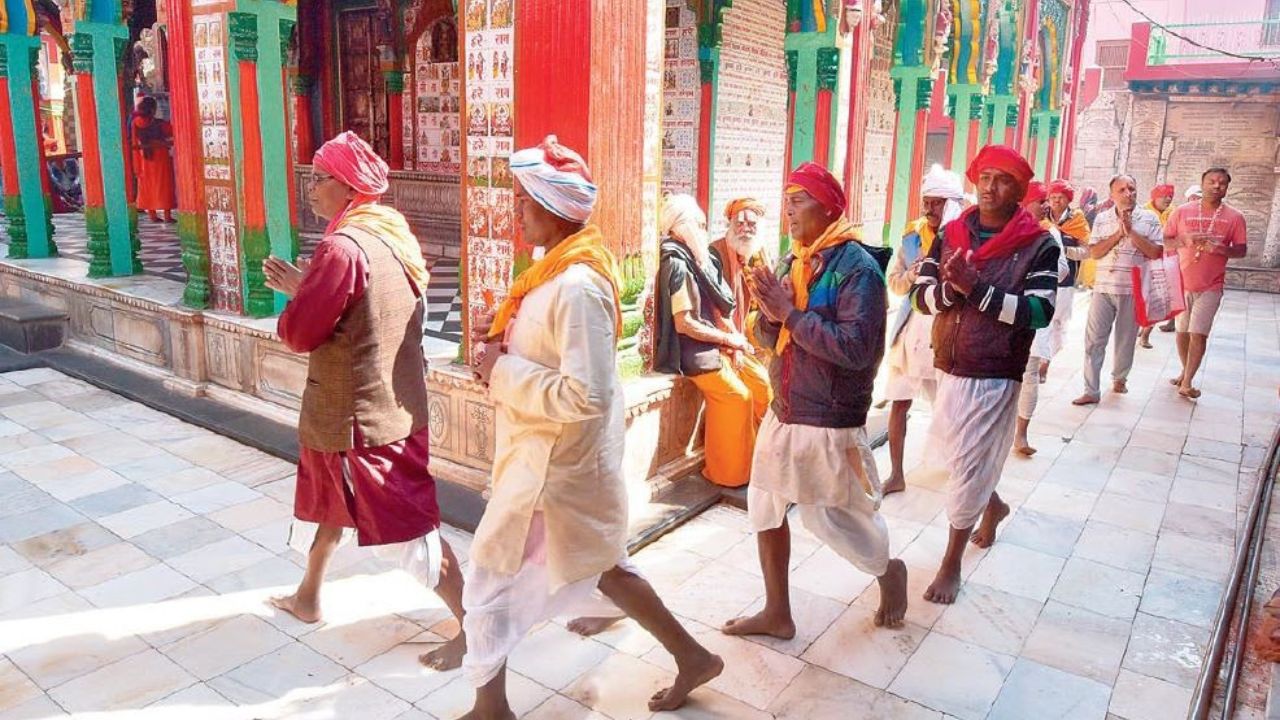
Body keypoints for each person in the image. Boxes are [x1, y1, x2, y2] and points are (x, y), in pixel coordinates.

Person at [462, 136, 722, 719]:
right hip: (548, 461)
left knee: (488, 580)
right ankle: (693, 656)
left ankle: (489, 709)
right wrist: (503, 339)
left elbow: (586, 394)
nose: (516, 212)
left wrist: (501, 368)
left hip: (553, 470)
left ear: (553, 210)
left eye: (524, 201)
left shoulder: (576, 286)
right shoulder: (549, 272)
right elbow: (550, 356)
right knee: (603, 566)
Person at [261, 133, 466, 661]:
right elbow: (361, 309)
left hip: (364, 417)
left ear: (347, 184)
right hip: (390, 401)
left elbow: (303, 332)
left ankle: (474, 627)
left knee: (409, 527)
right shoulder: (389, 231)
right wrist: (308, 287)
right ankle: (308, 596)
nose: (310, 188)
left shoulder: (342, 246)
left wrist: (297, 297)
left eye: (319, 177)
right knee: (335, 504)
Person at [721, 162, 908, 638]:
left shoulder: (857, 269)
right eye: (787, 200)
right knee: (763, 505)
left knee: (834, 518)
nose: (789, 210)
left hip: (829, 418)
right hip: (785, 408)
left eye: (799, 199)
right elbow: (772, 336)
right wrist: (769, 315)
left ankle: (889, 571)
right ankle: (777, 612)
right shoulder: (793, 260)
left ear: (829, 208)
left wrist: (790, 313)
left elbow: (857, 349)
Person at [908, 145, 1060, 604]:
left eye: (1004, 179)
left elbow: (1039, 311)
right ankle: (994, 506)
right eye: (985, 177)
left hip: (996, 370)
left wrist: (976, 289)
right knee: (959, 455)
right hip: (950, 362)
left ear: (1020, 189)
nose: (991, 187)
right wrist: (955, 293)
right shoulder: (953, 231)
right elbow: (920, 297)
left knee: (970, 465)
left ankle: (951, 562)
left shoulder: (1039, 243)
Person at [653, 193, 770, 488]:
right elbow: (685, 323)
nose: (704, 231)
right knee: (738, 397)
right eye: (699, 225)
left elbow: (719, 308)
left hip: (721, 344)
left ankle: (757, 461)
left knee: (762, 387)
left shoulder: (695, 257)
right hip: (696, 351)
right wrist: (729, 339)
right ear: (681, 226)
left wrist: (734, 341)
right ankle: (727, 472)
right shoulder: (679, 263)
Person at [884, 164, 964, 493]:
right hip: (912, 331)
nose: (929, 209)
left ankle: (962, 471)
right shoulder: (912, 238)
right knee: (898, 402)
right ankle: (896, 475)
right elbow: (895, 284)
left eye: (937, 203)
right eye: (926, 202)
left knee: (951, 409)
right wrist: (913, 275)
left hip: (947, 334)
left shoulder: (964, 237)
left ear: (952, 204)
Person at [1072, 175, 1164, 405]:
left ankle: (1120, 378)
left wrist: (1131, 231)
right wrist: (1118, 233)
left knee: (1125, 338)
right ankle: (1091, 390)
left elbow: (1155, 253)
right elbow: (1095, 252)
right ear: (1112, 194)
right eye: (1121, 189)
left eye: (1131, 188)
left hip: (1132, 289)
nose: (1128, 193)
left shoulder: (1150, 218)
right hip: (1102, 288)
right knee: (1094, 340)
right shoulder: (1102, 218)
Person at [1013, 182, 1084, 456]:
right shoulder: (1005, 227)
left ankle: (1020, 434)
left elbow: (1063, 270)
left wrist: (1034, 272)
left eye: (1047, 200)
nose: (1046, 205)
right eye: (1040, 200)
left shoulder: (1047, 232)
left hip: (1032, 309)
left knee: (1029, 373)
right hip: (1004, 313)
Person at [1165, 167, 1247, 399]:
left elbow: (1241, 250)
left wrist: (1220, 249)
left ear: (1227, 188)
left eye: (1222, 183)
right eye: (1212, 181)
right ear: (1202, 183)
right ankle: (1185, 371)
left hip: (1211, 285)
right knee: (1182, 331)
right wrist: (1185, 240)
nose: (1216, 186)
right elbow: (1165, 241)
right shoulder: (1182, 212)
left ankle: (1187, 382)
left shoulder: (1235, 217)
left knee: (1198, 333)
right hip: (1181, 282)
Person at [709, 197, 770, 347]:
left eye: (751, 224)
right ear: (730, 225)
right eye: (739, 224)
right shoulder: (716, 251)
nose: (745, 229)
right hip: (728, 330)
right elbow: (714, 302)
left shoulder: (761, 251)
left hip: (761, 329)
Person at [1138, 183, 1178, 346]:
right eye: (1164, 196)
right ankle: (1141, 325)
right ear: (1154, 196)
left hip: (1164, 262)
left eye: (1170, 196)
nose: (1168, 199)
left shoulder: (1174, 213)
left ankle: (1145, 335)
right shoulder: (1142, 212)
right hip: (1142, 262)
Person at [131, 97, 175, 223]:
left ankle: (152, 215)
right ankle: (167, 215)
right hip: (160, 156)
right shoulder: (159, 123)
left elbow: (134, 141)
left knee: (146, 185)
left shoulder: (135, 122)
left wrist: (136, 162)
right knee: (164, 185)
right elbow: (171, 131)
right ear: (152, 109)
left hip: (143, 157)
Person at [1046, 180, 1090, 295]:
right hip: (1041, 280)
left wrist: (1064, 250)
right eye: (1053, 197)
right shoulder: (1042, 218)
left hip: (1066, 284)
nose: (1056, 200)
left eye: (1061, 197)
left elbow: (1087, 251)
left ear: (1069, 199)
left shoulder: (1077, 219)